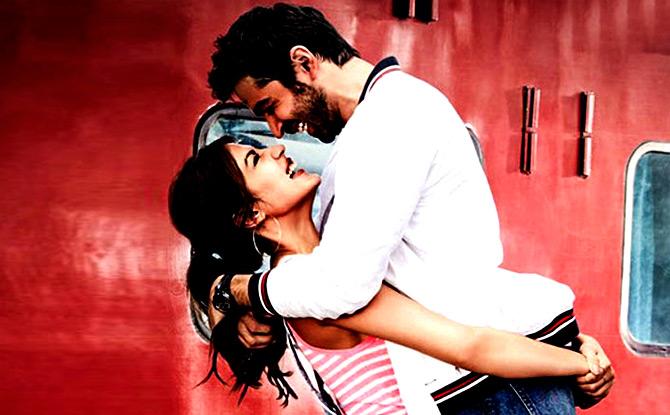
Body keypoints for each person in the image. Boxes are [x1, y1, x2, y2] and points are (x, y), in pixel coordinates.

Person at [206, 3, 615, 412]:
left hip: (494, 385)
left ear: (304, 63)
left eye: (270, 106)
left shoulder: (390, 122)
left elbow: (341, 286)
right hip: (492, 375)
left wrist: (239, 290)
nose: (277, 131)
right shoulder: (371, 129)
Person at [168, 137, 601, 415]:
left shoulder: (333, 260)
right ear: (249, 215)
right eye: (255, 159)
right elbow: (468, 345)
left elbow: (463, 308)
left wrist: (574, 345)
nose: (277, 150)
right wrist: (584, 365)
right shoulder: (313, 286)